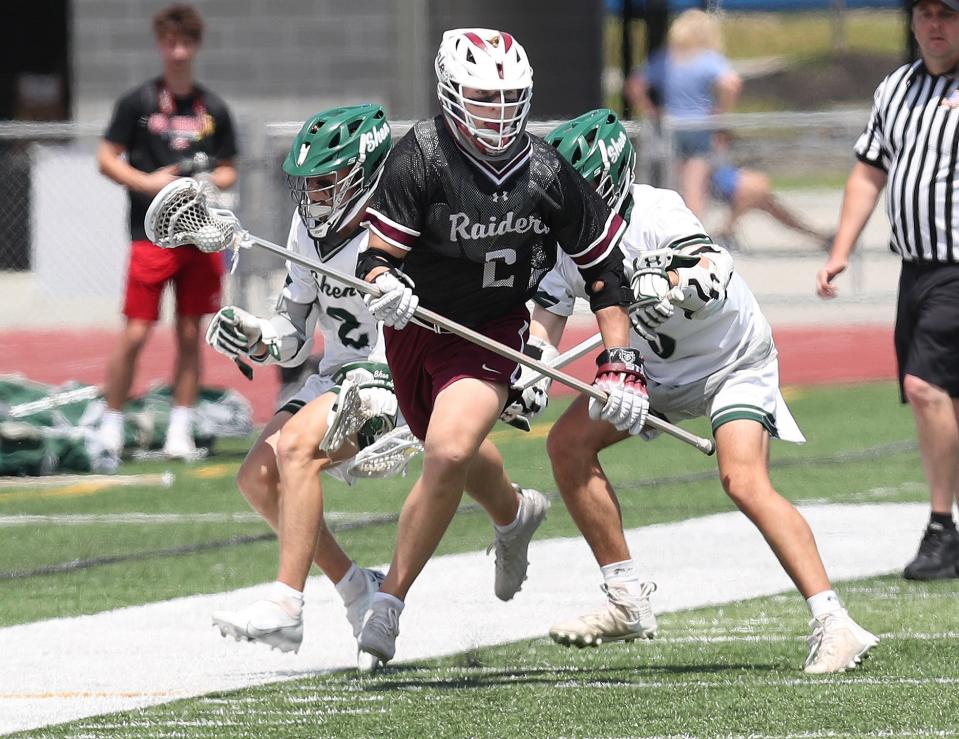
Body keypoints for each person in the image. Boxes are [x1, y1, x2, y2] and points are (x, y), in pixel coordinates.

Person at [526, 108, 877, 673]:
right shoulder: (566, 242)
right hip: (650, 370)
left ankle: (834, 621)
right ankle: (626, 599)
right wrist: (531, 369)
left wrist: (668, 284)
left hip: (728, 361)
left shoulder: (657, 209)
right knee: (566, 445)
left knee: (743, 480)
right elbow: (546, 323)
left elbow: (711, 267)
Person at [352, 29, 648, 671]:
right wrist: (385, 287)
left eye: (509, 97)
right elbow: (377, 258)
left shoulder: (544, 168)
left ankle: (389, 601)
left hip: (491, 329)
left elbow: (603, 270)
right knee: (450, 451)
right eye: (483, 96)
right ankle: (514, 515)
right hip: (415, 328)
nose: (498, 109)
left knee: (449, 449)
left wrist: (619, 362)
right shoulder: (421, 157)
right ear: (452, 94)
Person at [204, 105, 407, 655]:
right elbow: (294, 333)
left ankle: (286, 604)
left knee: (295, 448)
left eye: (326, 181)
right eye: (308, 182)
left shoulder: (405, 223)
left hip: (396, 378)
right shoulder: (306, 228)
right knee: (256, 477)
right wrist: (256, 336)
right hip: (339, 374)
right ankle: (357, 588)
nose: (312, 194)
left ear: (365, 173)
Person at [817, 0, 959, 581]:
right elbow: (868, 170)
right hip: (917, 268)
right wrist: (841, 249)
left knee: (926, 388)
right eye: (924, 12)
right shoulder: (896, 89)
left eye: (946, 14)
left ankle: (941, 527)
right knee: (940, 396)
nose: (933, 24)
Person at [96, 3, 238, 460]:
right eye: (170, 42)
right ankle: (111, 422)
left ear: (196, 46)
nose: (178, 51)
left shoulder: (211, 108)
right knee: (136, 333)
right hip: (150, 233)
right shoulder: (137, 102)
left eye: (186, 43)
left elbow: (230, 168)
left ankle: (180, 429)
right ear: (160, 45)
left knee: (190, 333)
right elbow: (106, 158)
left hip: (199, 234)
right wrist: (150, 182)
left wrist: (207, 180)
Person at [624, 9, 742, 220]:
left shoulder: (666, 58)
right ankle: (695, 235)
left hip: (670, 127)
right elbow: (731, 83)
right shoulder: (708, 58)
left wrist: (651, 111)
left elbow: (635, 85)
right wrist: (720, 112)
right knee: (694, 185)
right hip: (700, 126)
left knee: (667, 186)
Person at [709, 133, 834, 251]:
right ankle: (726, 230)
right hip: (716, 179)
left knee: (772, 205)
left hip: (725, 176)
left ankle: (817, 236)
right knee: (759, 188)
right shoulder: (704, 143)